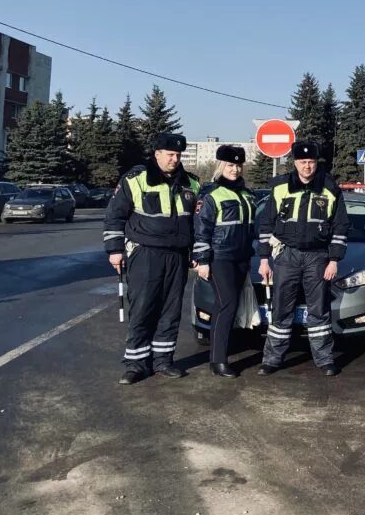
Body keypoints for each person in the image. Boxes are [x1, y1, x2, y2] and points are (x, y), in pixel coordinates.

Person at [104, 133, 201, 385]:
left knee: (171, 310)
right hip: (145, 253)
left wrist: (196, 253)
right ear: (156, 154)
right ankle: (136, 364)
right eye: (169, 154)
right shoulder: (135, 180)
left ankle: (163, 361)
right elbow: (115, 216)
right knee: (143, 308)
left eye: (178, 155)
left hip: (177, 255)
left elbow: (197, 224)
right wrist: (115, 250)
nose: (174, 159)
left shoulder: (191, 183)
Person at [256, 141, 349, 376]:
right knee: (281, 308)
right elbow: (266, 224)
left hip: (317, 256)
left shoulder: (330, 188)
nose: (307, 166)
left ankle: (325, 359)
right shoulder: (279, 187)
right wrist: (264, 259)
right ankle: (272, 359)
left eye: (311, 162)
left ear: (316, 163)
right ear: (295, 163)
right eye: (303, 162)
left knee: (319, 310)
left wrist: (334, 259)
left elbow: (340, 227)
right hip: (287, 255)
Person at [193, 145, 257, 378]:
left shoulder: (247, 195)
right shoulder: (211, 195)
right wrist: (202, 260)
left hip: (241, 258)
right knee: (226, 304)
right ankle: (218, 360)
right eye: (230, 165)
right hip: (220, 258)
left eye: (239, 165)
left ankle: (221, 355)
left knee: (230, 305)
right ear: (221, 166)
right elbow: (202, 231)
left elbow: (252, 229)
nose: (235, 169)